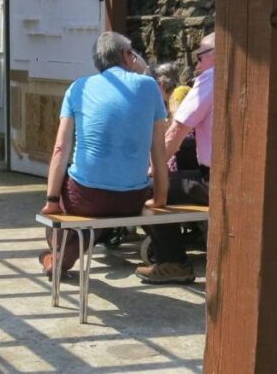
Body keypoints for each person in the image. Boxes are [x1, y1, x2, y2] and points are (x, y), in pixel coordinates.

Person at [39, 32, 169, 277]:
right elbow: (158, 149)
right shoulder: (149, 86)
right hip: (131, 199)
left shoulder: (79, 87)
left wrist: (51, 199)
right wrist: (160, 197)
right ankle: (57, 259)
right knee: (101, 208)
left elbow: (60, 149)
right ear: (127, 55)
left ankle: (56, 258)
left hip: (86, 197)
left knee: (73, 210)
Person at [137, 32, 215, 284]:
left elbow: (177, 130)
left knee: (144, 191)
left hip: (215, 182)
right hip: (248, 180)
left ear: (215, 55)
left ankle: (173, 262)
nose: (197, 64)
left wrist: (154, 172)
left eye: (200, 56)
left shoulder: (211, 79)